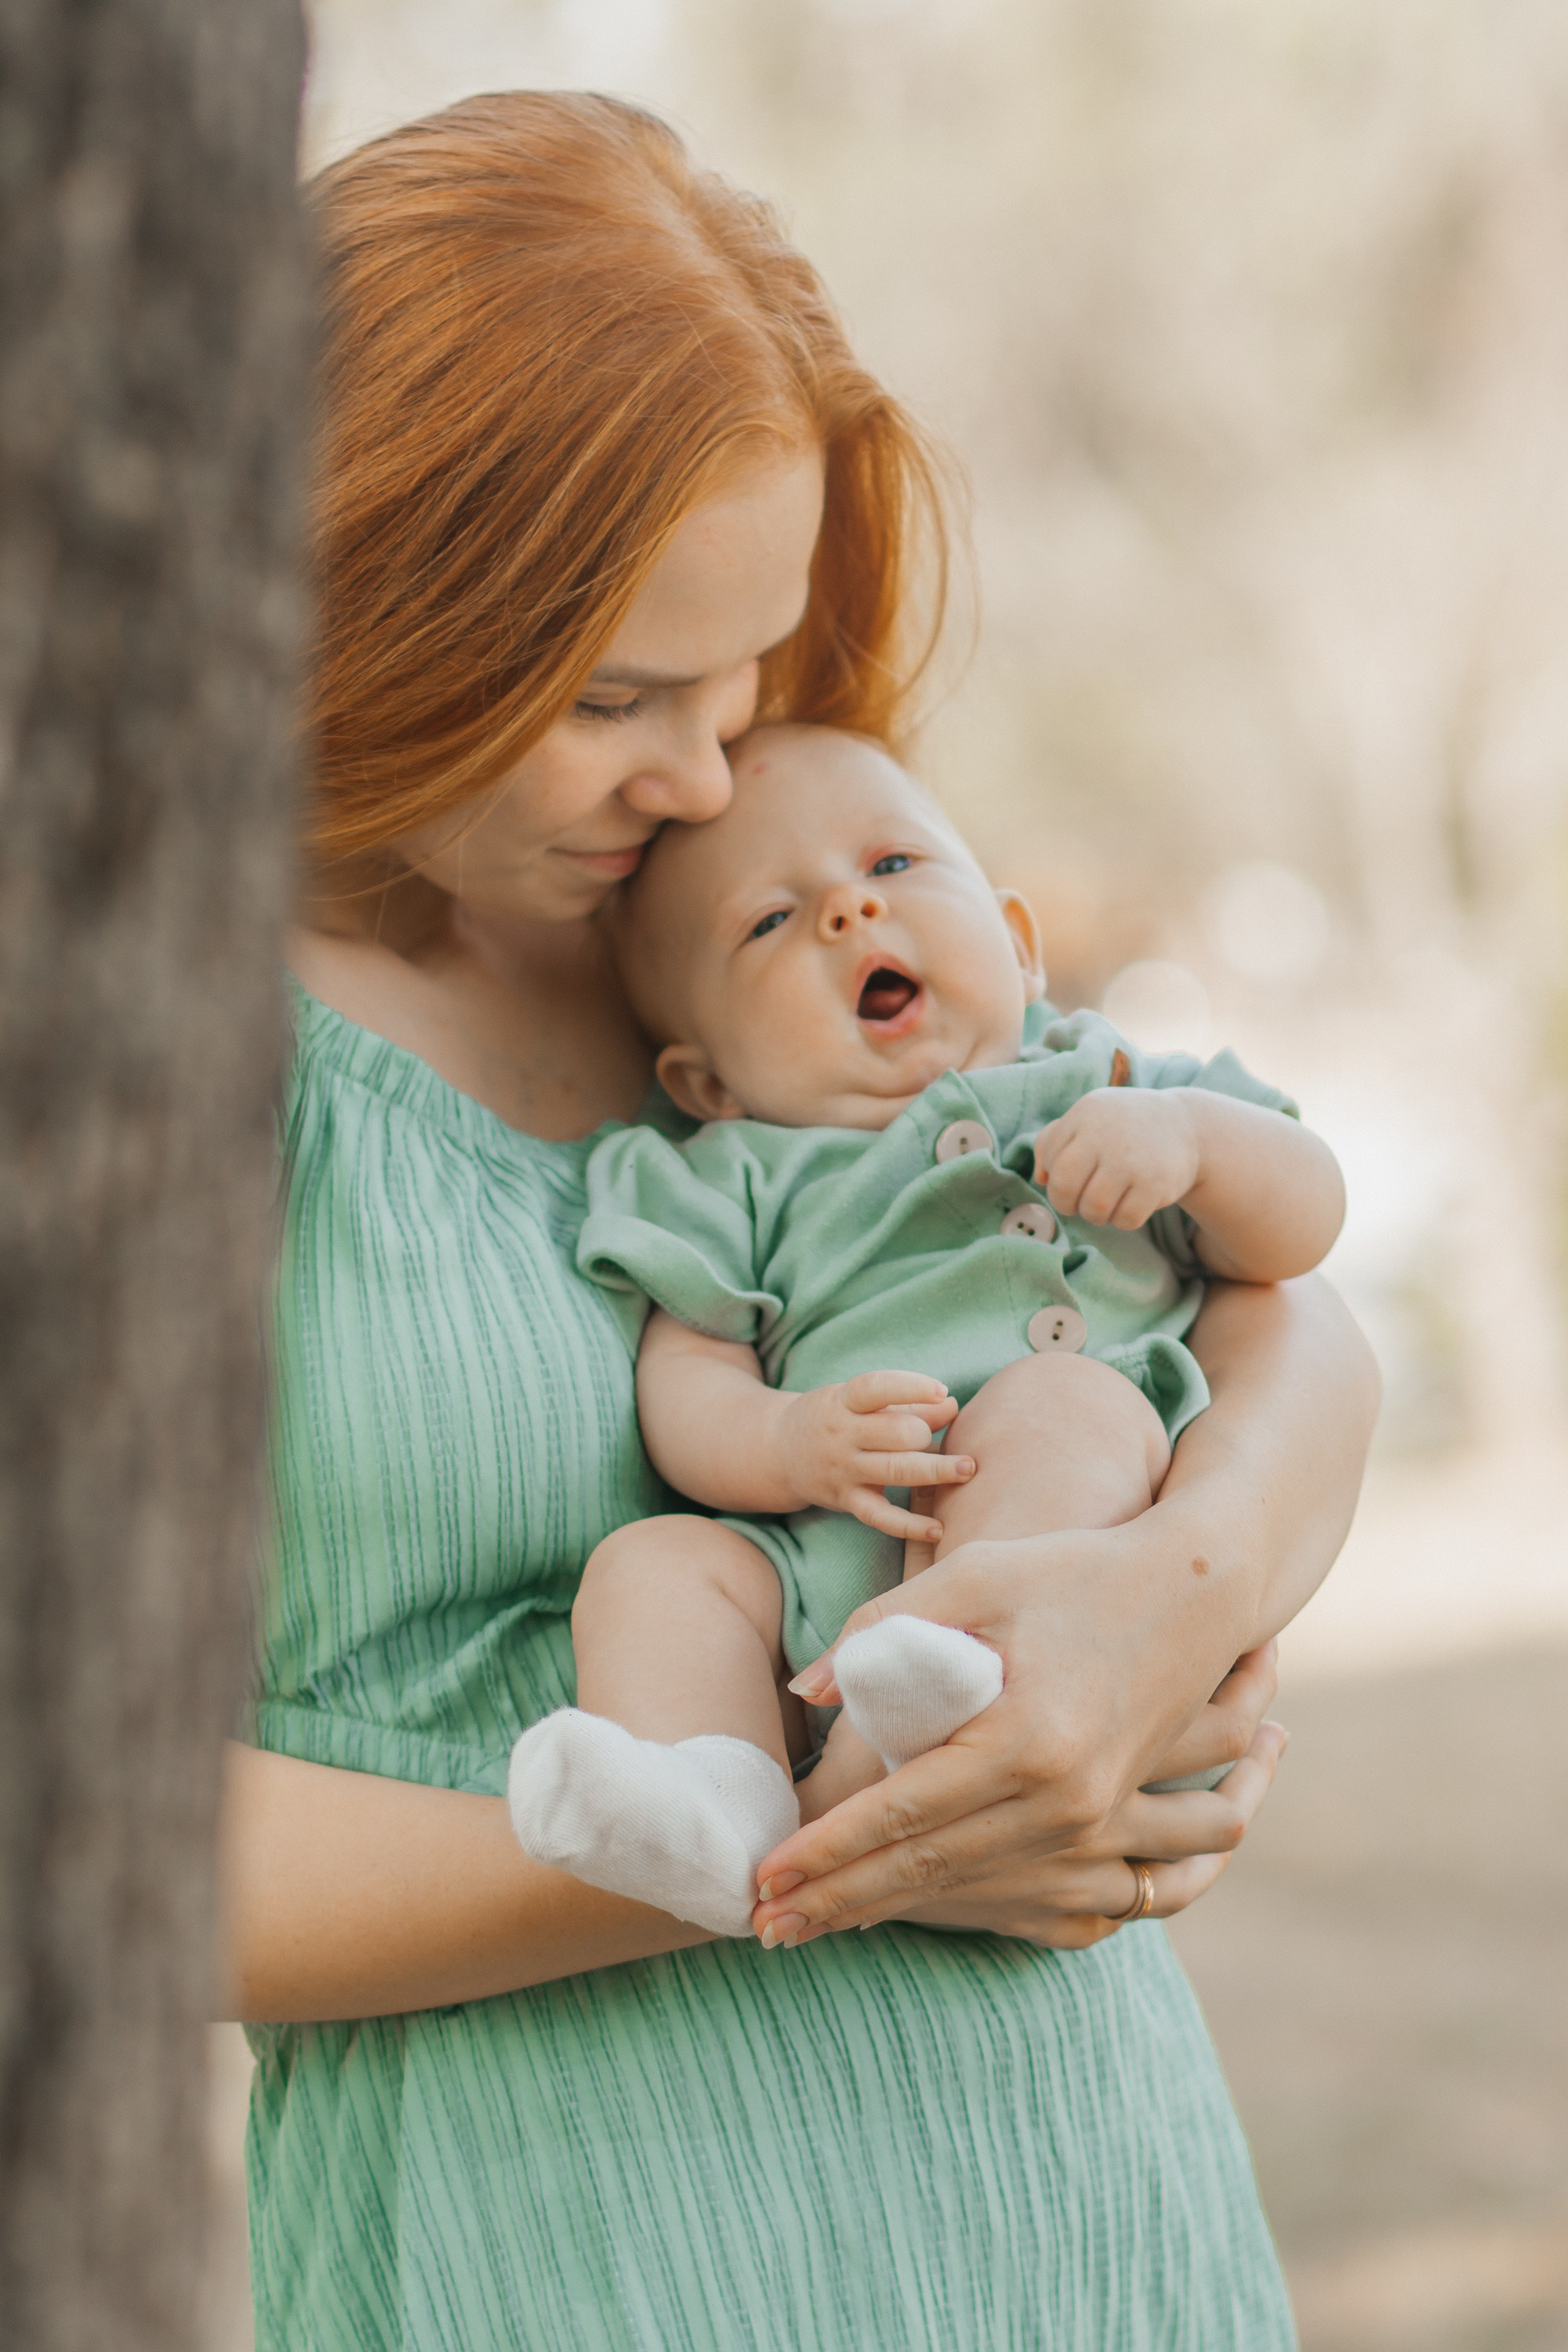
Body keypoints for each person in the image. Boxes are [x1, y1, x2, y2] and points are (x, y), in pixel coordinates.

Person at [224, 90, 1380, 2350]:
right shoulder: (138, 1053)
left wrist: (1173, 1597)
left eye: (744, 668)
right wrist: (808, 1851)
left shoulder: (779, 907)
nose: (703, 768)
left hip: (1073, 2204)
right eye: (616, 695)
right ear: (373, 603)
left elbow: (1264, 1305)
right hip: (555, 2257)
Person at [509, 723, 1346, 1937]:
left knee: (1063, 1408)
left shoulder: (1109, 1080)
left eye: (893, 866)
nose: (849, 913)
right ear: (707, 1082)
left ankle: (927, 1715)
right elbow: (686, 1382)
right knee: (652, 1570)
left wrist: (1202, 1149)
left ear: (1016, 941)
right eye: (768, 923)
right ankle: (711, 1800)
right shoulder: (728, 1170)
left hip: (1076, 1602)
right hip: (817, 1595)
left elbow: (1304, 1227)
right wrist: (789, 1443)